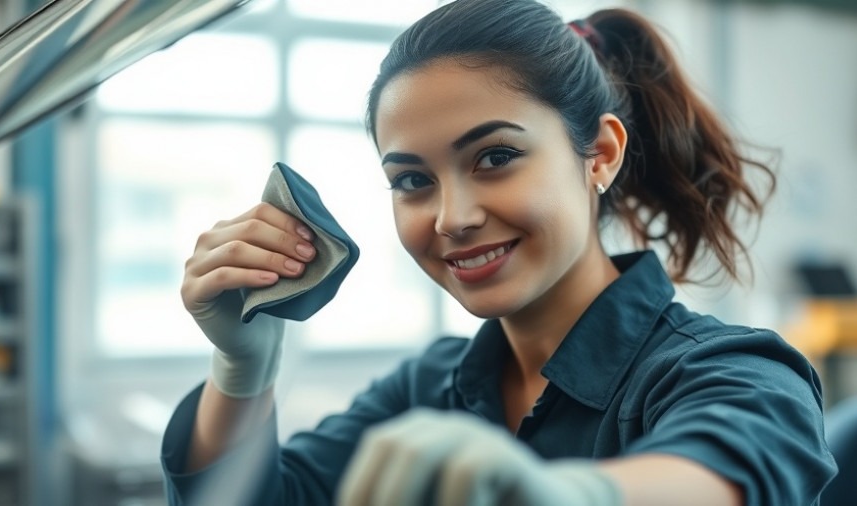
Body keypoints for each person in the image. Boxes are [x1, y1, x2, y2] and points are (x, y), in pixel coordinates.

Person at [161, 0, 837, 504]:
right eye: (411, 181)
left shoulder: (732, 370)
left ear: (598, 154)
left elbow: (730, 472)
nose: (452, 218)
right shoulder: (430, 387)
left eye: (496, 157)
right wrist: (241, 370)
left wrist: (569, 496)